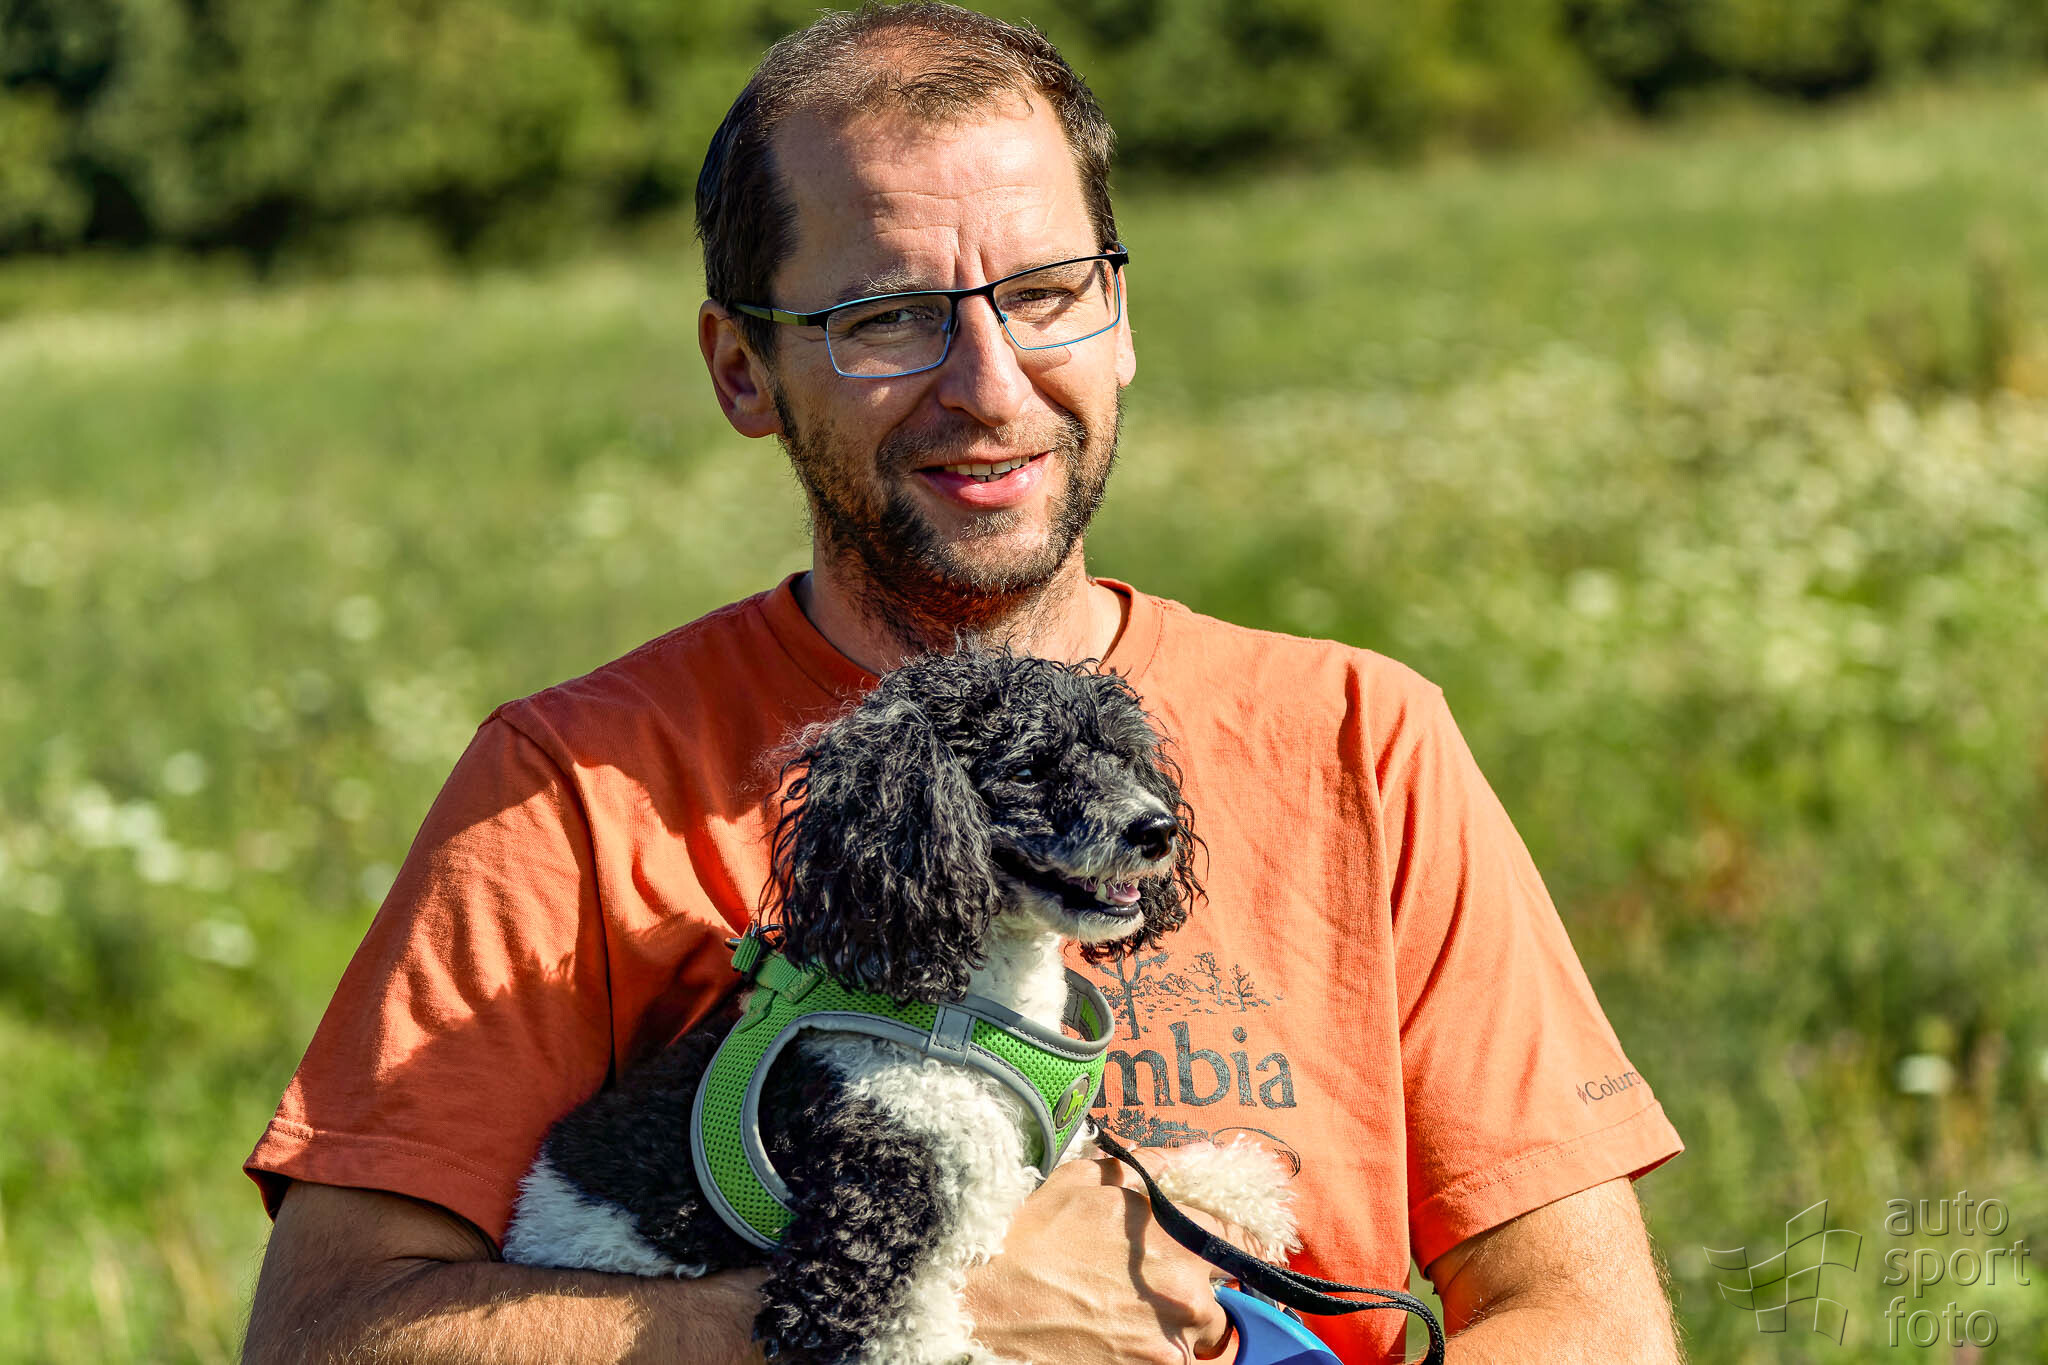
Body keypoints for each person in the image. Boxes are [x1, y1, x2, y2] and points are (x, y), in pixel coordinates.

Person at [240, 5, 1686, 1363]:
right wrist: (907, 1312)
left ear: (1122, 318)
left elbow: (1590, 1321)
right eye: (887, 317)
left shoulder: (1361, 737)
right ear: (741, 369)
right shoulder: (569, 787)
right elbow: (330, 1330)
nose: (991, 386)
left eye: (1047, 295)